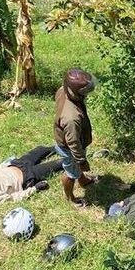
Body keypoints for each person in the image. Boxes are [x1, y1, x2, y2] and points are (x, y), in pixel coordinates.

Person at [54, 68, 98, 207]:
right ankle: (70, 198)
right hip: (69, 148)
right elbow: (73, 142)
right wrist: (81, 161)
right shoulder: (72, 118)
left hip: (71, 138)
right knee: (70, 173)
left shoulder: (63, 90)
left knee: (74, 169)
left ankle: (83, 180)